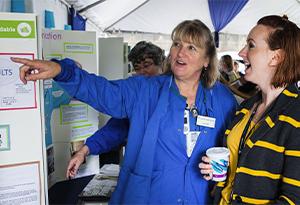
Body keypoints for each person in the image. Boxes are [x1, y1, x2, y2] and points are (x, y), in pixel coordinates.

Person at [12, 19, 238, 204]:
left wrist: (224, 176)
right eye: (176, 44)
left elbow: (235, 148)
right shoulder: (145, 89)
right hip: (151, 196)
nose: (180, 52)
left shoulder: (223, 99)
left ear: (207, 59)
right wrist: (61, 71)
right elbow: (103, 92)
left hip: (200, 198)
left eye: (191, 47)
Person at [200, 14, 300, 204]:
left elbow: (293, 199)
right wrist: (219, 179)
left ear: (276, 57)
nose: (242, 52)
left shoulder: (296, 115)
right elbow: (241, 165)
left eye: (251, 45)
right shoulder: (246, 107)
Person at [67, 41, 165, 172]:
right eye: (137, 68)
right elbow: (115, 128)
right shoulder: (135, 97)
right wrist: (84, 150)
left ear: (161, 65)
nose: (142, 72)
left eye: (147, 66)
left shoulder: (174, 92)